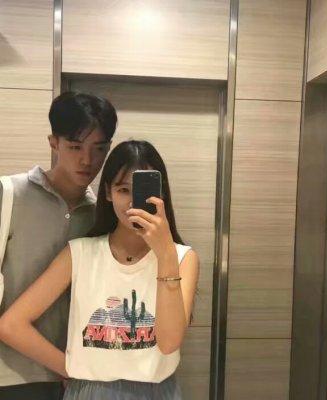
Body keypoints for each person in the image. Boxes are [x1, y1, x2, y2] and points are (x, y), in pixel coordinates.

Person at [0, 140, 200, 399]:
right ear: (107, 192)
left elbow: (170, 342)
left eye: (142, 191)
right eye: (123, 189)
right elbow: (11, 325)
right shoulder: (80, 253)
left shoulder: (182, 258)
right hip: (89, 391)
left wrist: (165, 255)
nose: (133, 202)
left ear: (161, 195)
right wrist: (72, 368)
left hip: (157, 391)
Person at [0, 92, 117, 399]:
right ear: (53, 143)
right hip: (11, 376)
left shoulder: (102, 216)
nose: (87, 160)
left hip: (79, 380)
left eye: (99, 149)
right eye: (75, 147)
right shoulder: (9, 194)